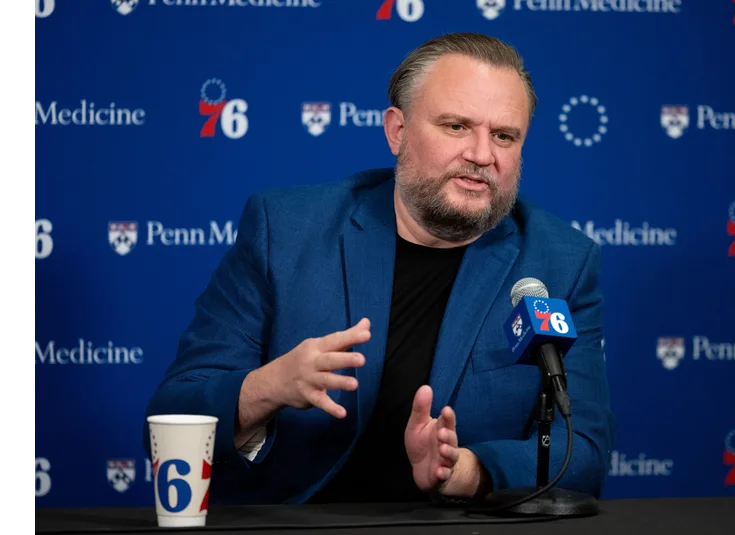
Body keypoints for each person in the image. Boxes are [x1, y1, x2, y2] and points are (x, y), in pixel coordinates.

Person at [143, 32, 616, 506]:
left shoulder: (560, 261)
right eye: (455, 126)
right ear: (397, 131)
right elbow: (171, 417)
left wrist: (467, 471)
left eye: (504, 136)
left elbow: (586, 453)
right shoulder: (285, 231)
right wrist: (270, 387)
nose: (481, 154)